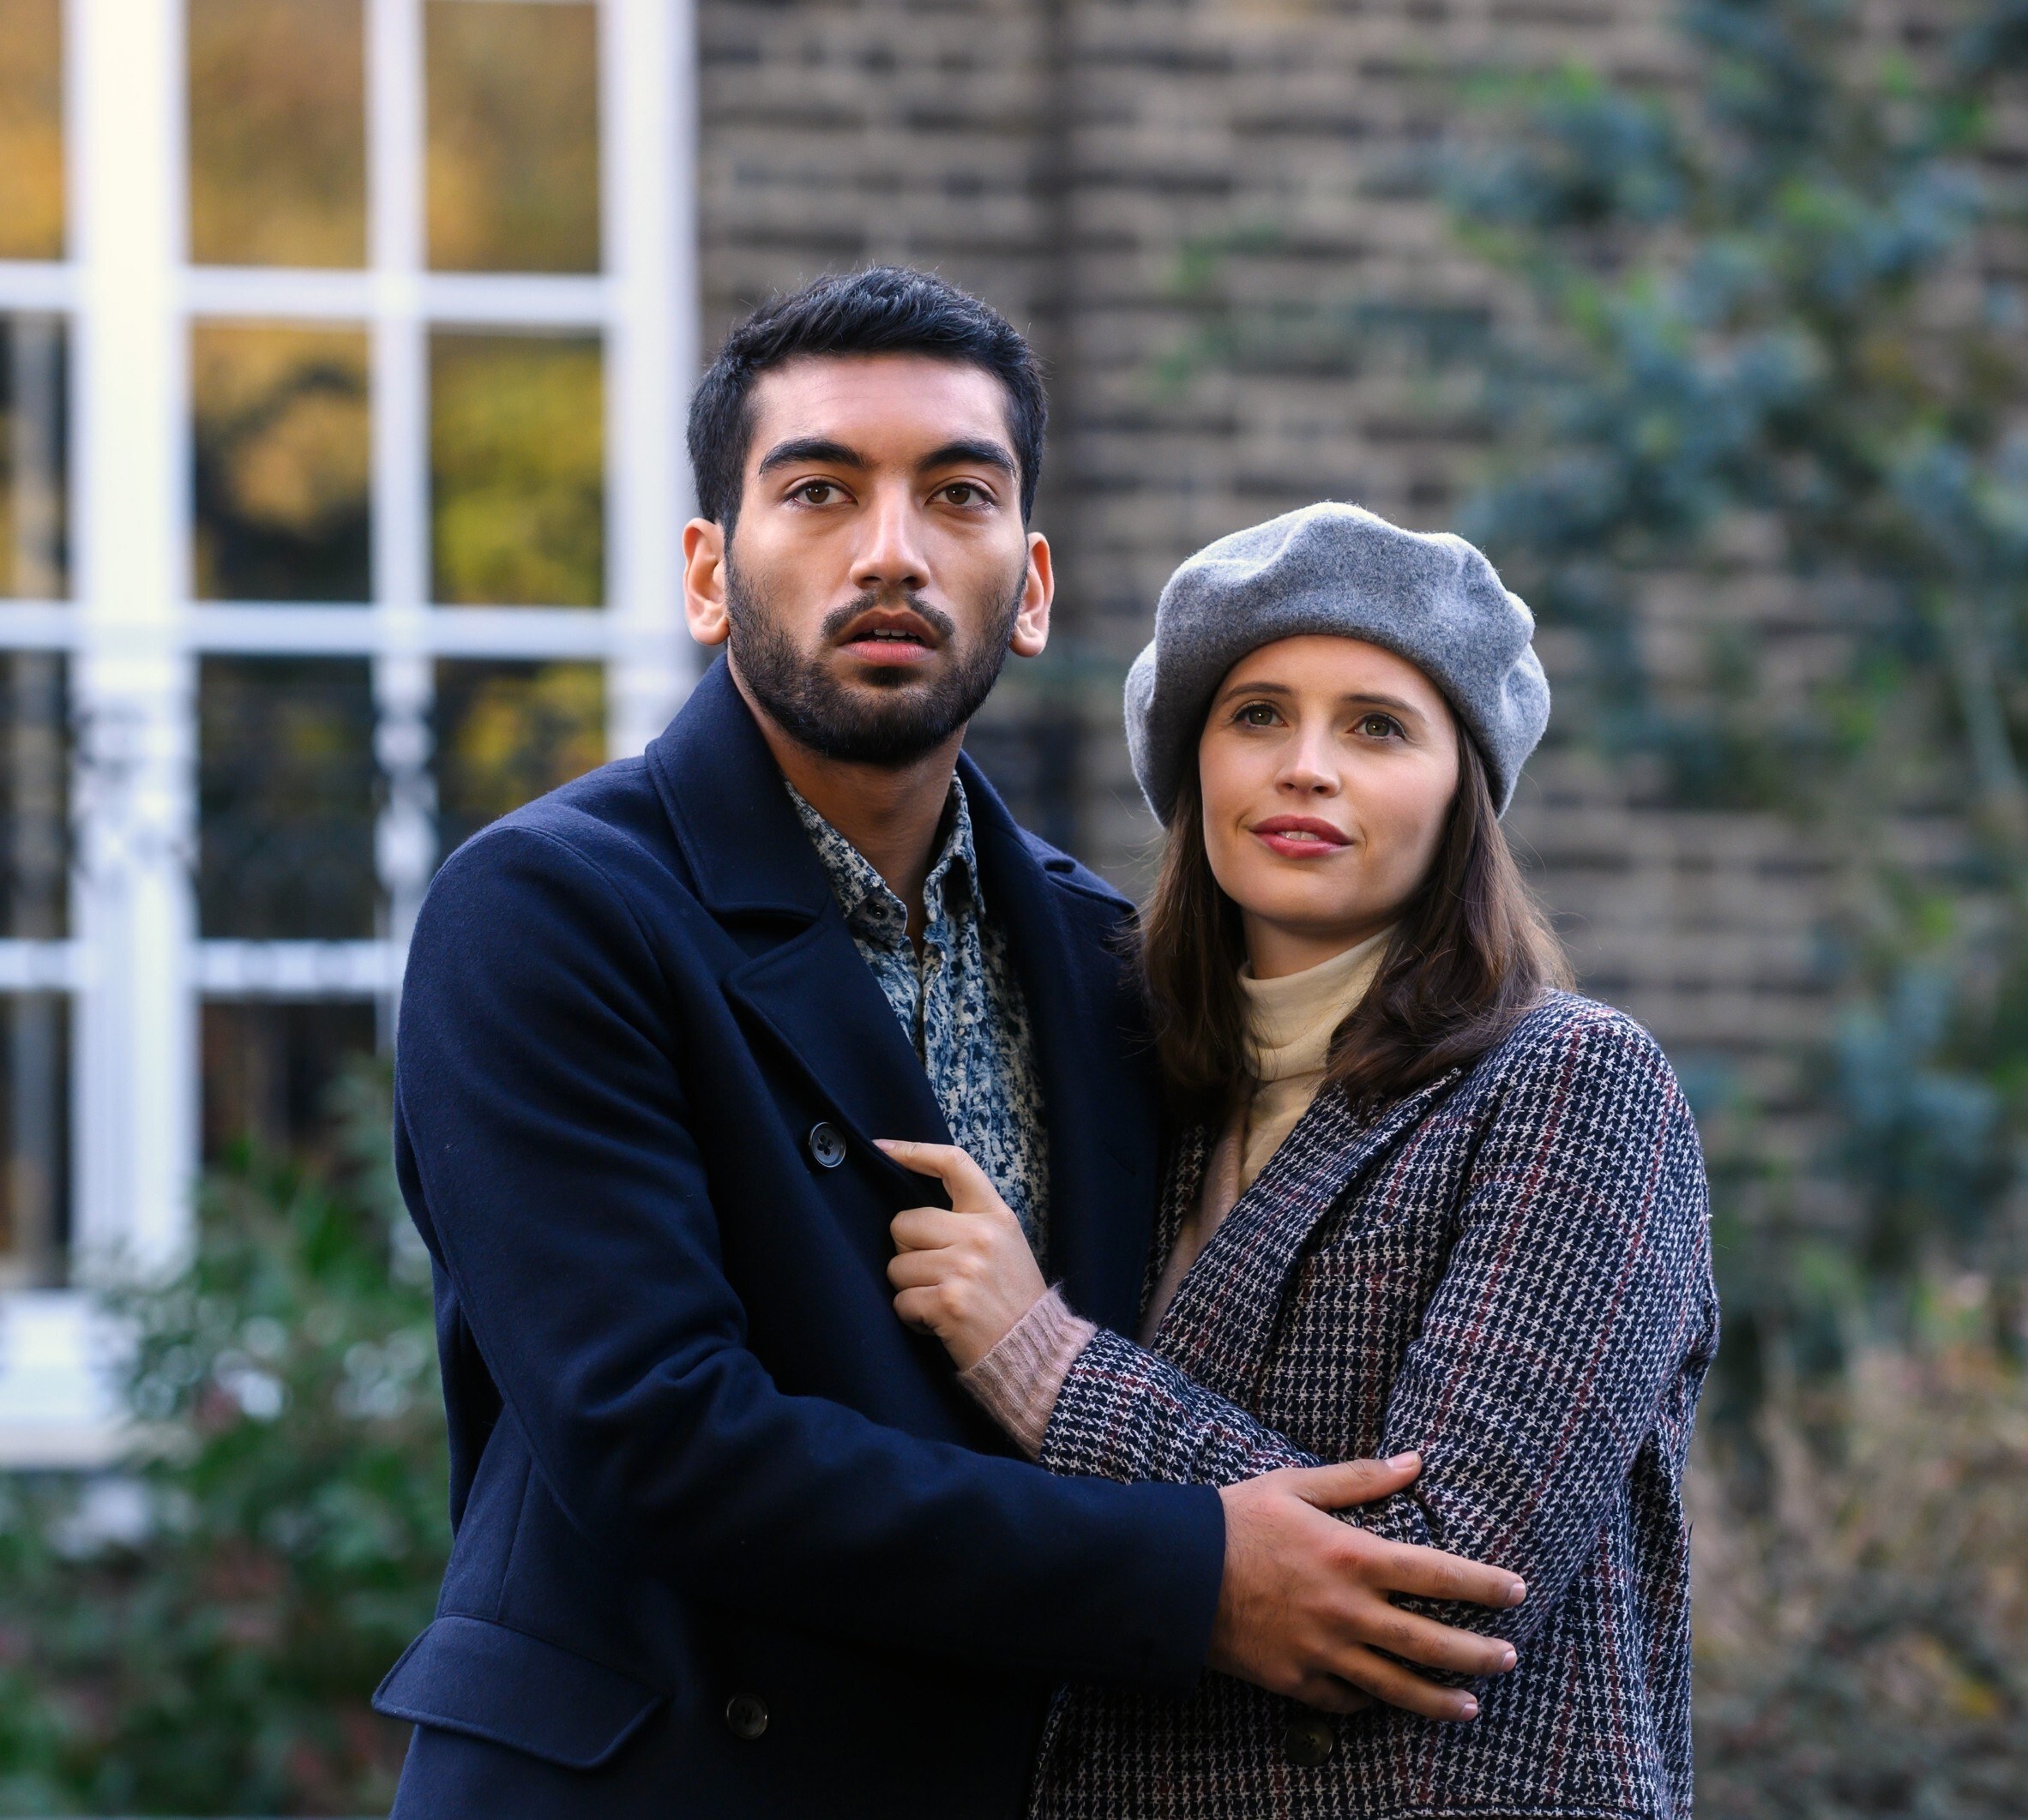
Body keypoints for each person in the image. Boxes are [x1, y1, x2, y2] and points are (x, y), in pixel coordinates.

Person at [373, 275, 1525, 1820]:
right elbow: (658, 1441)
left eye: (959, 494)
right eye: (821, 491)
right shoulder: (547, 909)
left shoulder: (1110, 957)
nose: (893, 550)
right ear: (711, 573)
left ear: (1032, 586)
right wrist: (1195, 1577)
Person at [883, 503, 1721, 1817]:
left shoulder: (1569, 1083)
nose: (1306, 767)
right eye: (1257, 715)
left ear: (1464, 789)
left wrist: (1046, 1365)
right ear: (1193, 767)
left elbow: (1440, 1576)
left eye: (1377, 726)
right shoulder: (1139, 1101)